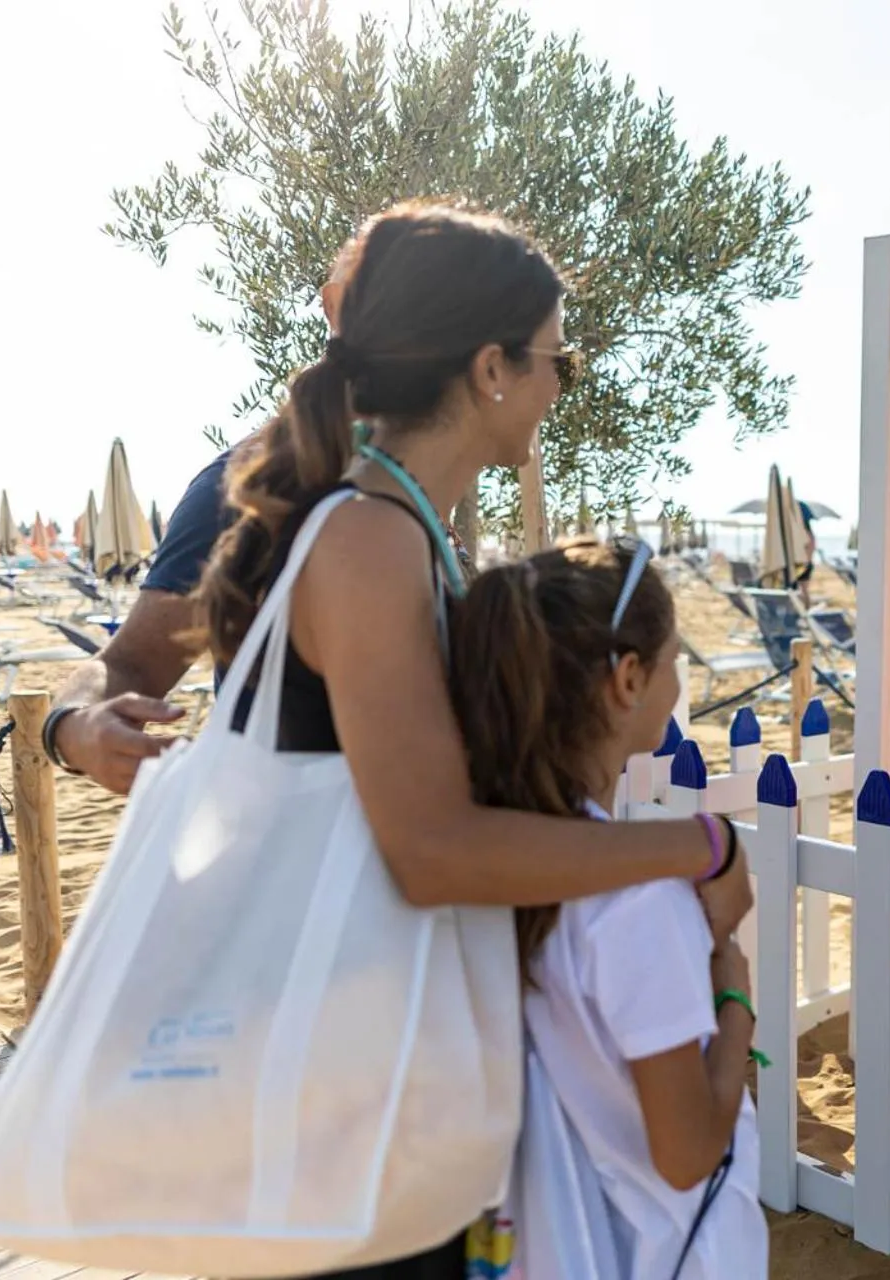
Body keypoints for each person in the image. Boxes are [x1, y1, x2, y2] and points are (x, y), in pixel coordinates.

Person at [193, 200, 750, 1280]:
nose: (559, 385)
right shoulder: (366, 539)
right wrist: (699, 853)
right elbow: (432, 847)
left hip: (388, 1067)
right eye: (556, 359)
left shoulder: (401, 530)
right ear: (491, 368)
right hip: (343, 1088)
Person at [450, 538, 765, 1278]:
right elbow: (687, 1154)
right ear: (628, 678)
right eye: (675, 658)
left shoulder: (497, 861)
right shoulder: (637, 899)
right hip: (667, 1250)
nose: (680, 678)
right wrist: (737, 1002)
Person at [41, 238, 365, 794]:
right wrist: (71, 728)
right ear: (336, 308)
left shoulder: (431, 473)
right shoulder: (250, 486)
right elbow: (132, 665)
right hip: (292, 845)